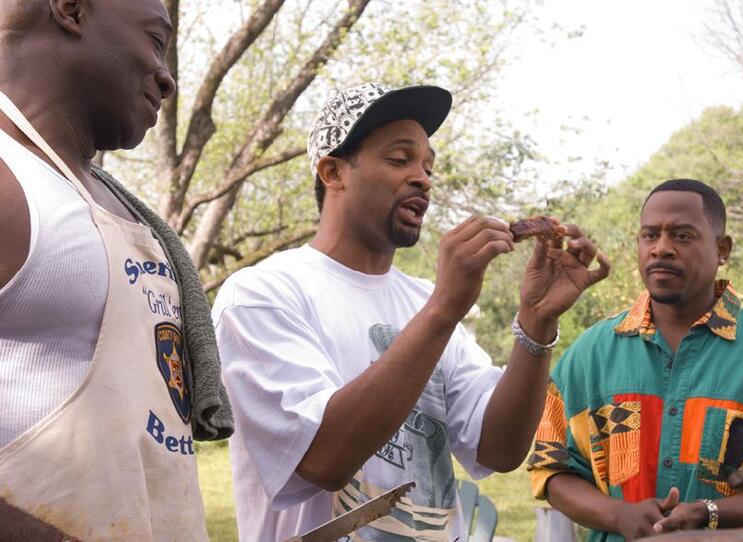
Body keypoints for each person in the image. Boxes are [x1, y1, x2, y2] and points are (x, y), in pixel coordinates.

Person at [212, 81, 610, 541]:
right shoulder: (263, 293)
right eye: (400, 160)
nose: (423, 178)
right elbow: (325, 459)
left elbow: (500, 448)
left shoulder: (425, 299)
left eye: (427, 165)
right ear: (333, 172)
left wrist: (536, 323)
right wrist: (445, 307)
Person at [0, 1, 231, 540]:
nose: (167, 79)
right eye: (155, 39)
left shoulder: (119, 208)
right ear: (71, 9)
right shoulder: (9, 184)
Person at [528, 179, 743, 542]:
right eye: (650, 235)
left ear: (722, 249)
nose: (661, 249)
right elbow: (551, 470)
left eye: (682, 236)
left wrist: (709, 514)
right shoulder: (590, 354)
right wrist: (619, 514)